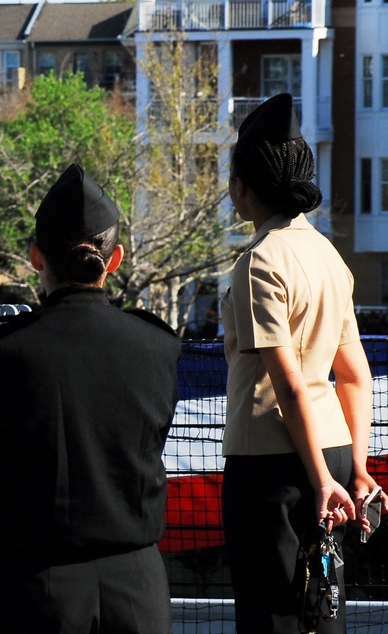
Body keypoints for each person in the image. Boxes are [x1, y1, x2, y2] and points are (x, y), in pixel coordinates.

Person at [0, 163, 181, 633]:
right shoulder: (157, 345)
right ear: (115, 259)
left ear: (35, 256)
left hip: (32, 581)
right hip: (138, 583)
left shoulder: (2, 348)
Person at [220, 92, 385, 633]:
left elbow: (286, 385)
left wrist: (317, 481)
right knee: (322, 608)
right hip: (335, 454)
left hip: (271, 464)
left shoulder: (258, 263)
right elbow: (355, 374)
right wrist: (355, 470)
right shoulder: (329, 257)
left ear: (244, 187)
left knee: (271, 614)